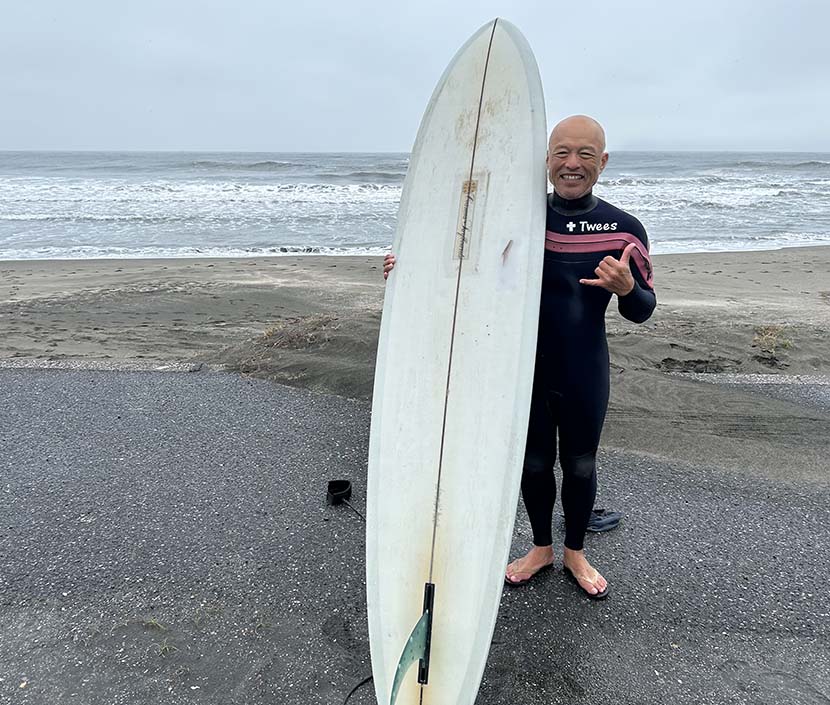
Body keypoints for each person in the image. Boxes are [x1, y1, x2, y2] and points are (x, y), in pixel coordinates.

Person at [383, 115, 655, 599]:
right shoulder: (516, 219)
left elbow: (642, 311)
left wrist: (628, 288)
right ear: (546, 160)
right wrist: (407, 267)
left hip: (583, 369)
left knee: (580, 465)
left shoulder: (623, 229)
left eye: (585, 154)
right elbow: (461, 271)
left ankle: (575, 552)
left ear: (603, 161)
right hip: (520, 369)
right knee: (532, 463)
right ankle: (541, 548)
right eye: (562, 153)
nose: (572, 164)